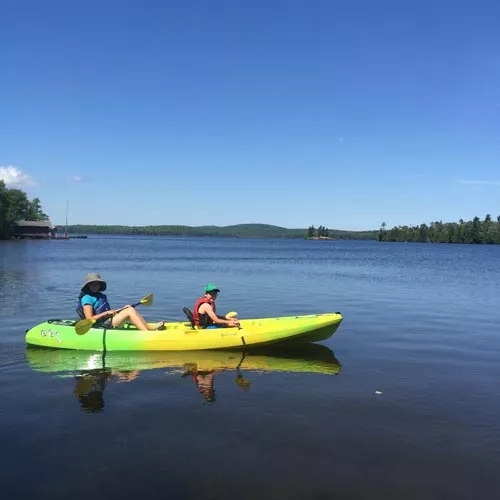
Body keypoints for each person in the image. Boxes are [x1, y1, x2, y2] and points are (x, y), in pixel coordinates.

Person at [76, 272, 165, 331]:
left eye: (97, 284)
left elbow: (108, 312)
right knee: (129, 311)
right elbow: (89, 318)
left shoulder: (99, 296)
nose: (95, 286)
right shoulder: (87, 298)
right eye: (92, 284)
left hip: (106, 321)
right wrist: (106, 313)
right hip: (97, 326)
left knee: (128, 308)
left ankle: (149, 327)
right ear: (88, 286)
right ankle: (147, 334)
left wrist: (121, 309)